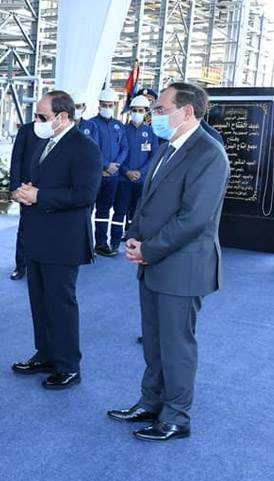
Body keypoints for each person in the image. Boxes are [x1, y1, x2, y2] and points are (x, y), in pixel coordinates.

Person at [109, 82, 229, 442]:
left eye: (161, 110)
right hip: (155, 262)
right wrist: (134, 236)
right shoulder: (168, 147)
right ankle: (151, 402)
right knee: (154, 341)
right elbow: (148, 202)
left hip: (182, 268)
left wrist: (148, 250)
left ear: (187, 111)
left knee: (176, 346)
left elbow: (194, 219)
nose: (154, 116)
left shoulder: (209, 153)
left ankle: (176, 417)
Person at [10, 90, 102, 390]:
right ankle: (46, 354)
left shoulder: (84, 147)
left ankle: (68, 365)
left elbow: (85, 195)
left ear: (62, 117)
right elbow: (41, 182)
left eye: (42, 116)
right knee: (39, 300)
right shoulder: (46, 142)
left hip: (63, 240)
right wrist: (25, 191)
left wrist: (40, 196)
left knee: (60, 303)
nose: (36, 122)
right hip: (38, 234)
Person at [110, 95, 158, 249]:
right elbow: (118, 154)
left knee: (136, 213)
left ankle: (133, 242)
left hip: (141, 180)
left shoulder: (151, 132)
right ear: (130, 111)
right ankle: (114, 242)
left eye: (140, 110)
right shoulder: (122, 130)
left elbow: (154, 156)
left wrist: (140, 173)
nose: (137, 113)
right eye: (134, 110)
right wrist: (126, 172)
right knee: (119, 211)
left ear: (146, 112)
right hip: (123, 179)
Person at [89, 88, 128, 257]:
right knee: (88, 210)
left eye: (110, 105)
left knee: (104, 211)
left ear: (115, 106)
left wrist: (116, 166)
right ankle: (84, 245)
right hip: (95, 175)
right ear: (99, 105)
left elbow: (125, 148)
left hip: (113, 176)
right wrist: (105, 166)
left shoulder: (119, 126)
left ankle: (101, 244)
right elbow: (92, 149)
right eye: (104, 105)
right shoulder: (91, 124)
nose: (107, 108)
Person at [8, 121, 45, 281]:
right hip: (27, 187)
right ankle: (21, 265)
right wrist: (14, 187)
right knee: (25, 228)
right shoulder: (26, 130)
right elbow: (16, 159)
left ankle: (42, 265)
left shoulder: (57, 130)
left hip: (49, 190)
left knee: (48, 230)